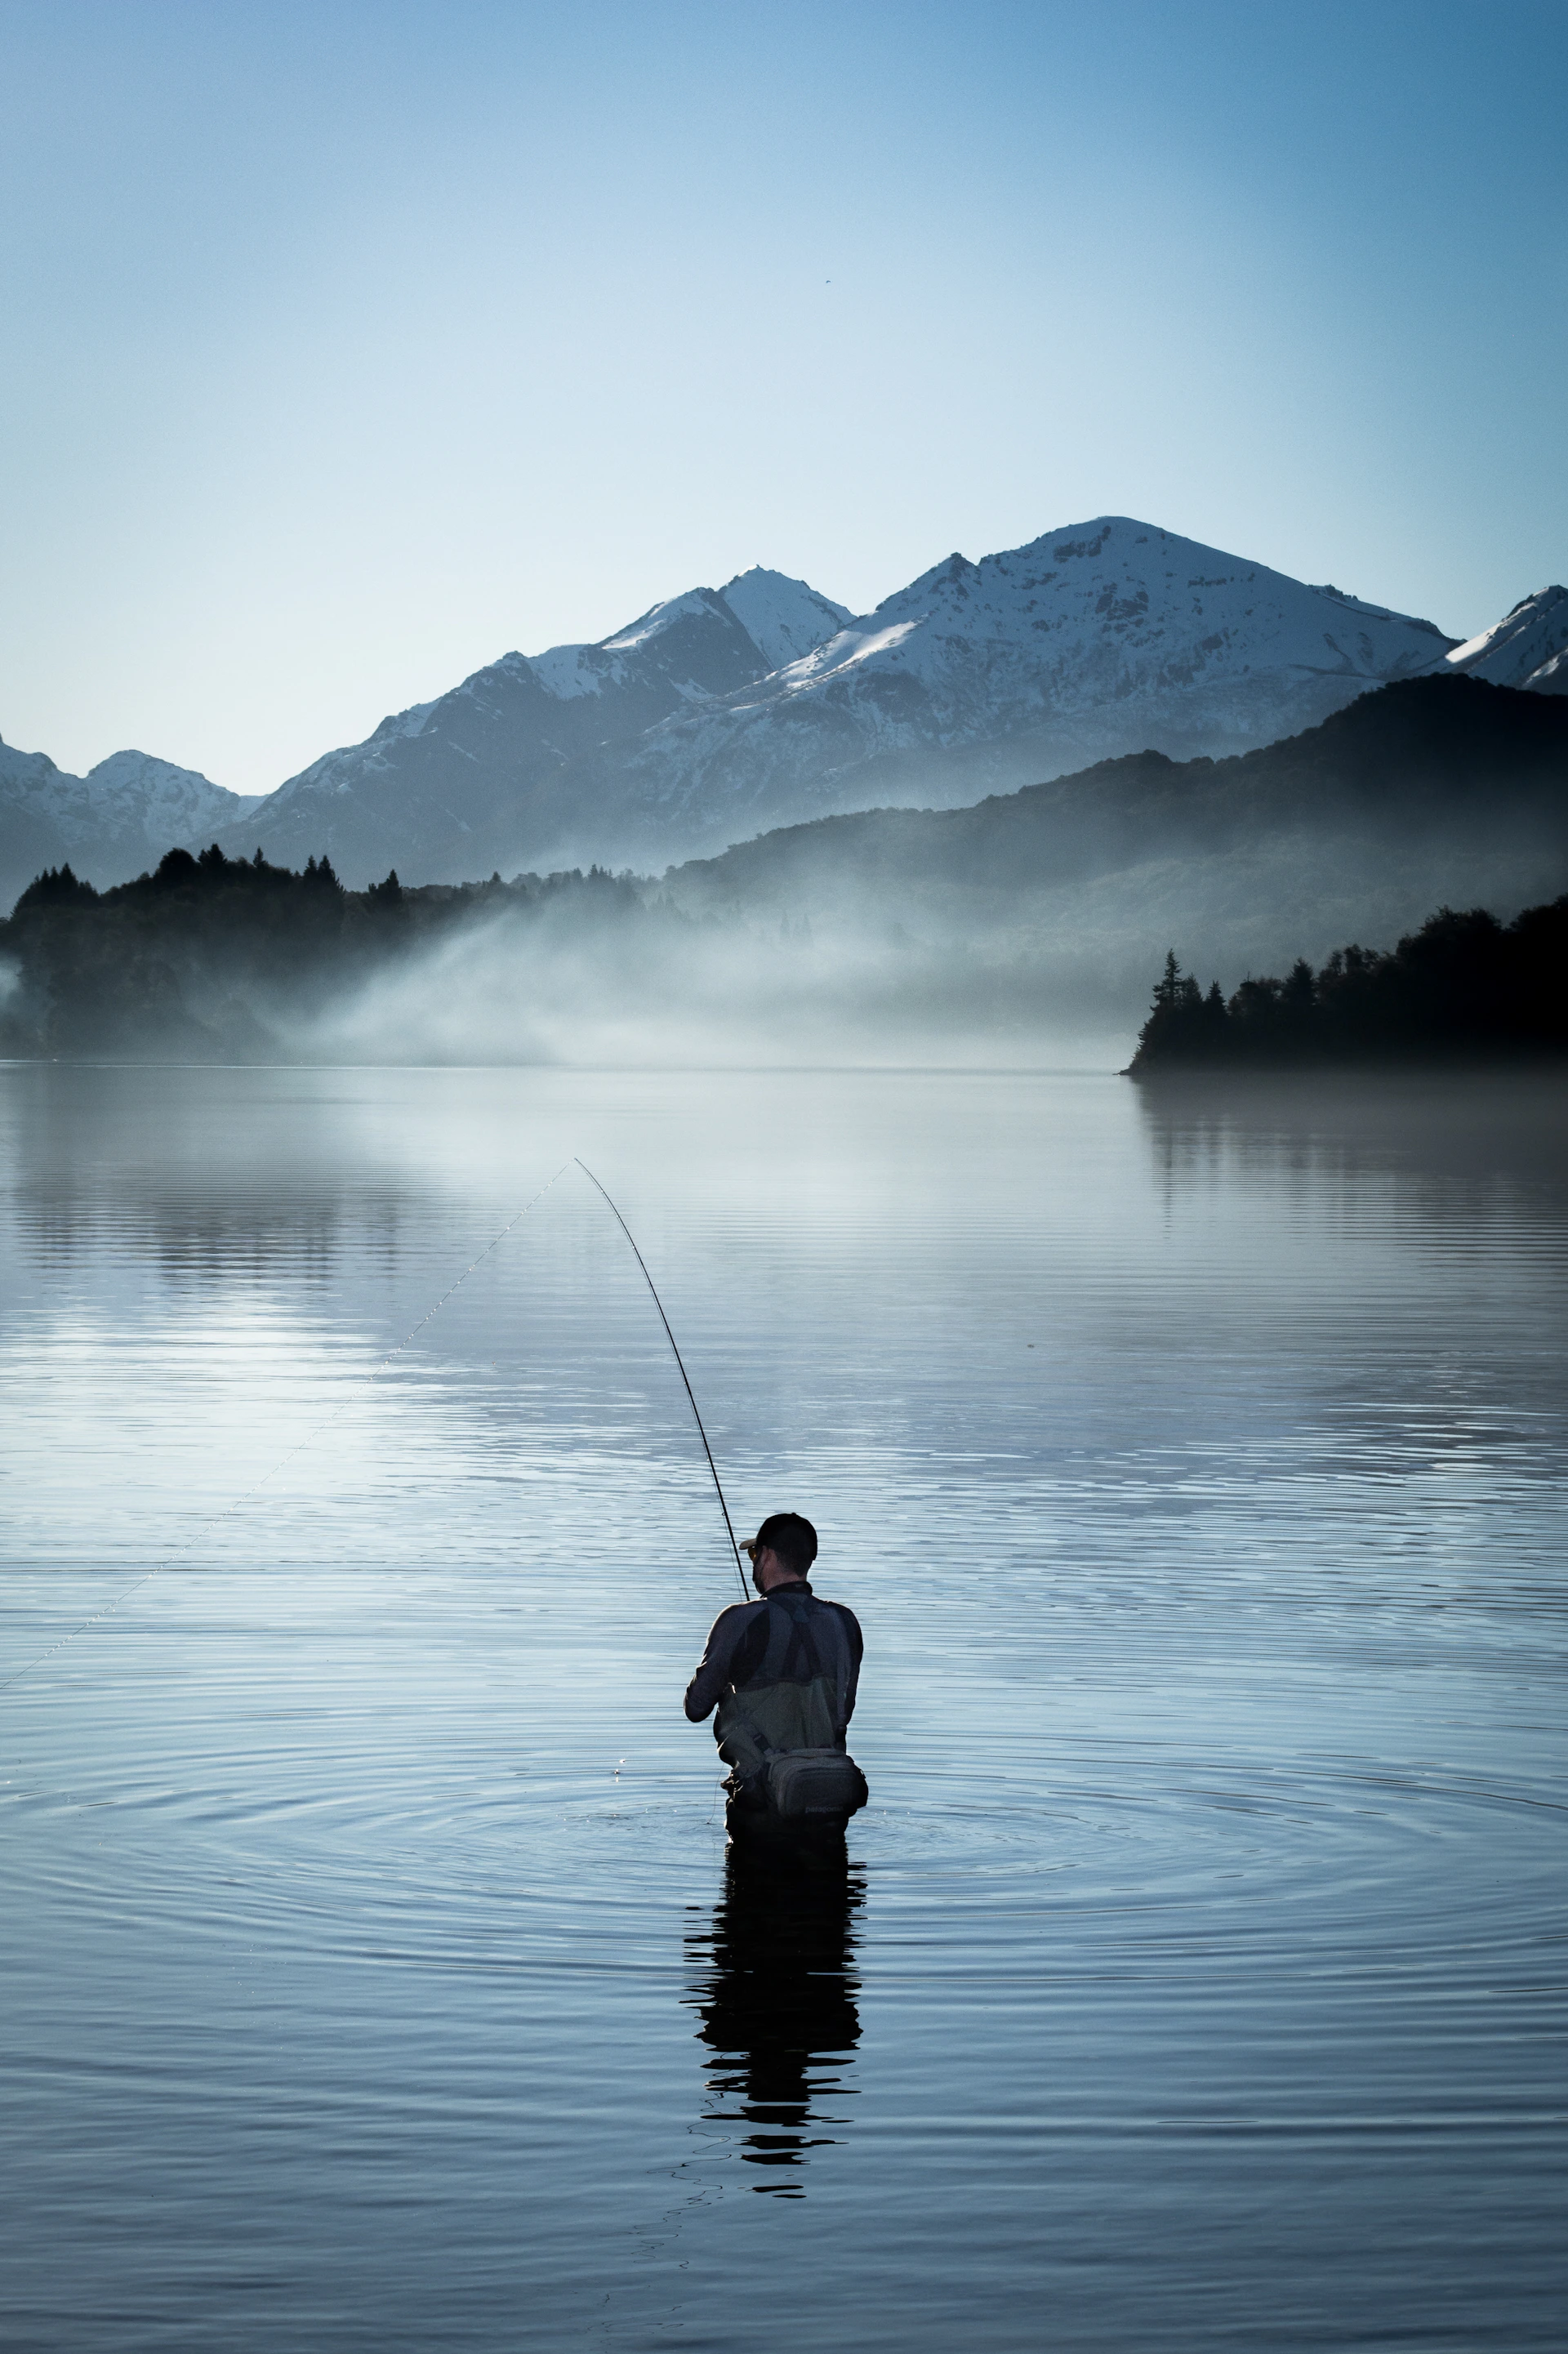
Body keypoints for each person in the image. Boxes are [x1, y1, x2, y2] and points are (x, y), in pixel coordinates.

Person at [684, 1512, 865, 1828]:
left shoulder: (738, 1620)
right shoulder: (844, 1623)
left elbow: (695, 1708)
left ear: (765, 1555)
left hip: (762, 1811)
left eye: (754, 1553)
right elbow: (843, 1712)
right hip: (830, 1804)